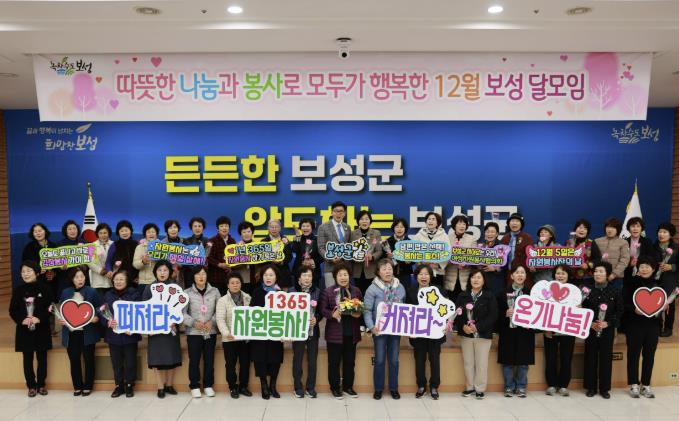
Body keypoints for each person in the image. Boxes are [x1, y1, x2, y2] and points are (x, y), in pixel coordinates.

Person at [623, 256, 666, 398]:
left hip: (653, 325)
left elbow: (662, 301)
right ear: (638, 268)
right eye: (642, 266)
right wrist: (633, 310)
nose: (644, 269)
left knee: (649, 355)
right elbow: (624, 303)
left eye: (648, 267)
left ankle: (646, 385)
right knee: (633, 354)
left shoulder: (658, 284)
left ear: (653, 269)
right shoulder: (631, 282)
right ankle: (634, 384)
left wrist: (664, 305)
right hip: (634, 324)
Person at [364, 258, 406, 400]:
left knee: (394, 360)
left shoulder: (400, 287)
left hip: (395, 330)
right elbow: (367, 310)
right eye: (384, 269)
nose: (388, 271)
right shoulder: (372, 288)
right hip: (379, 330)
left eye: (389, 268)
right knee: (380, 360)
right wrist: (371, 327)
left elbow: (405, 308)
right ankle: (378, 389)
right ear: (378, 272)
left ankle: (394, 388)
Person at [320, 262, 362, 400]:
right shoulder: (328, 291)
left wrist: (358, 312)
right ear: (335, 277)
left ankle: (348, 387)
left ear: (349, 276)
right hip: (334, 334)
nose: (343, 277)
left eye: (345, 274)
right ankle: (335, 388)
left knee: (350, 362)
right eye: (340, 275)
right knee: (334, 363)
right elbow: (323, 309)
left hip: (351, 332)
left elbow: (361, 308)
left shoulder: (356, 291)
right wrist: (332, 314)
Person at [9, 261, 51, 397]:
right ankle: (31, 386)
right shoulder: (18, 290)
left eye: (29, 271)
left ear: (36, 272)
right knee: (27, 358)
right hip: (24, 329)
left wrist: (39, 318)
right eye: (23, 272)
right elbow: (12, 310)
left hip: (41, 328)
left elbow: (50, 308)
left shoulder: (45, 288)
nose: (25, 274)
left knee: (42, 358)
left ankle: (41, 385)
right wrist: (22, 319)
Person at [582, 261, 623, 399]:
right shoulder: (586, 290)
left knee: (606, 358)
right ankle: (591, 387)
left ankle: (604, 388)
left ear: (607, 274)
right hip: (590, 329)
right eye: (595, 271)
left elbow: (619, 311)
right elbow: (580, 309)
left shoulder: (615, 290)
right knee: (590, 357)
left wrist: (608, 323)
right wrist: (589, 323)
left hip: (607, 329)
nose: (597, 274)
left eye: (601, 271)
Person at [455, 269, 498, 400]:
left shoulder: (489, 296)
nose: (476, 280)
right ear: (469, 280)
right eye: (473, 277)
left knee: (481, 364)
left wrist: (477, 327)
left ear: (484, 280)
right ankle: (470, 387)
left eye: (479, 277)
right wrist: (463, 326)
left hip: (483, 335)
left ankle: (480, 389)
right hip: (466, 335)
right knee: (468, 363)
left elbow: (493, 316)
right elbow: (457, 314)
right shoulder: (462, 295)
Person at [59, 266, 101, 396]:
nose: (80, 279)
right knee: (74, 360)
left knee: (89, 360)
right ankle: (77, 386)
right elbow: (62, 310)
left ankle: (88, 386)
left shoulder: (92, 291)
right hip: (71, 332)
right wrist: (61, 319)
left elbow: (100, 307)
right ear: (72, 279)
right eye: (77, 277)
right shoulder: (65, 292)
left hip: (87, 332)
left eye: (82, 276)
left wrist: (96, 317)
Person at [407, 265, 447, 399]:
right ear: (416, 276)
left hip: (435, 332)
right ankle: (421, 386)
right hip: (417, 333)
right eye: (420, 274)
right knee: (419, 360)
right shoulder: (411, 291)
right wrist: (409, 330)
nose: (423, 277)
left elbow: (446, 309)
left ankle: (434, 386)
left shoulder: (439, 290)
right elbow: (407, 312)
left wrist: (445, 325)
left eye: (426, 274)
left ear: (431, 276)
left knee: (435, 360)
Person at [144, 260, 182, 398]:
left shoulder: (175, 287)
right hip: (155, 329)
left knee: (172, 356)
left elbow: (181, 306)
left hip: (172, 327)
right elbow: (144, 308)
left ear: (170, 272)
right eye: (159, 270)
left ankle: (169, 385)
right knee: (157, 357)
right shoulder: (149, 288)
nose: (162, 273)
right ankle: (160, 387)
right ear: (155, 272)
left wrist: (175, 321)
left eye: (165, 270)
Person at [99, 270, 140, 398]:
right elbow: (101, 311)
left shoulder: (134, 293)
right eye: (116, 279)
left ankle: (129, 385)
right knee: (116, 363)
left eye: (121, 279)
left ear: (127, 281)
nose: (118, 282)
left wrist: (133, 326)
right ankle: (119, 385)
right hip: (113, 335)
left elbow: (140, 312)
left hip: (130, 335)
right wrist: (107, 322)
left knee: (130, 362)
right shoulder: (108, 294)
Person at [498, 264, 535, 398]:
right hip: (507, 331)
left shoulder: (532, 293)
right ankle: (509, 387)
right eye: (517, 272)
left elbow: (537, 313)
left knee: (523, 362)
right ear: (512, 276)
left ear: (526, 276)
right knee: (507, 361)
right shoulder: (503, 292)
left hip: (525, 332)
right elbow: (496, 312)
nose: (520, 275)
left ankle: (521, 387)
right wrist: (505, 314)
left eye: (522, 272)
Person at [183, 266, 220, 398]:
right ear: (193, 277)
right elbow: (182, 313)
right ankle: (194, 386)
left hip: (210, 331)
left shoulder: (215, 291)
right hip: (194, 332)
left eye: (203, 274)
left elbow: (220, 310)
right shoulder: (186, 293)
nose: (201, 276)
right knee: (194, 360)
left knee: (209, 359)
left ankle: (208, 385)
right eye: (198, 274)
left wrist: (212, 322)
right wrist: (194, 323)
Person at [250, 265, 285, 399]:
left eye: (271, 275)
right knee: (260, 359)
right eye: (265, 275)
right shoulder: (257, 291)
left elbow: (287, 314)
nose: (268, 278)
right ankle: (264, 386)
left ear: (276, 277)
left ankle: (273, 386)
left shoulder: (281, 294)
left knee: (275, 358)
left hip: (276, 331)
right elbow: (251, 311)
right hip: (260, 333)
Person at [216, 273, 253, 398]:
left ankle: (243, 386)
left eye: (237, 282)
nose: (235, 285)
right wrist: (227, 333)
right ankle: (232, 387)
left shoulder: (248, 298)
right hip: (229, 338)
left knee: (245, 363)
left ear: (241, 284)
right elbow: (220, 319)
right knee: (230, 364)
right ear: (228, 285)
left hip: (245, 338)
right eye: (232, 283)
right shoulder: (222, 300)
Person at [289, 265, 322, 398]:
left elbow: (321, 311)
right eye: (304, 275)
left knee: (312, 361)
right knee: (297, 359)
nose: (307, 278)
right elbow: (286, 312)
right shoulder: (291, 291)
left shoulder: (317, 291)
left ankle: (310, 387)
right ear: (299, 278)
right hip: (297, 331)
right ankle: (297, 387)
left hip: (313, 331)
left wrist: (317, 318)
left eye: (309, 276)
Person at [544, 265, 575, 396]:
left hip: (568, 330)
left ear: (568, 276)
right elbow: (542, 310)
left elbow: (578, 311)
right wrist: (545, 328)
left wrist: (579, 306)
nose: (560, 276)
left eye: (563, 273)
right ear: (554, 275)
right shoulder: (547, 290)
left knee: (566, 358)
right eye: (558, 273)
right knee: (550, 358)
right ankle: (551, 384)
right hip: (550, 330)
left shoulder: (574, 291)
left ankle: (563, 385)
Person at [317, 201, 351, 288]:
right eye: (336, 211)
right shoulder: (323, 227)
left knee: (344, 292)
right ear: (332, 212)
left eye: (341, 211)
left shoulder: (347, 227)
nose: (338, 213)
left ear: (344, 213)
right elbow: (321, 247)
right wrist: (331, 258)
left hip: (344, 268)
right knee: (331, 293)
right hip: (330, 267)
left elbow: (349, 246)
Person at [412, 211, 450, 288]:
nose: (430, 221)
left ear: (437, 223)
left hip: (437, 272)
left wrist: (438, 265)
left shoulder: (444, 236)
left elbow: (448, 252)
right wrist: (421, 262)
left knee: (437, 293)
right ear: (426, 222)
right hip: (422, 272)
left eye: (433, 219)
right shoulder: (419, 235)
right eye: (429, 219)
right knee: (422, 293)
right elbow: (413, 251)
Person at [653, 222, 678, 337]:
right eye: (660, 231)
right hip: (655, 279)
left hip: (670, 280)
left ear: (670, 234)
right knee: (656, 302)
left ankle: (668, 328)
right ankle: (657, 326)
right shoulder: (653, 247)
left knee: (669, 304)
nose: (661, 234)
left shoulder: (677, 247)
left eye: (665, 232)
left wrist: (672, 267)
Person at [350, 210, 383, 296]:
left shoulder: (376, 233)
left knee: (371, 294)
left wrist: (372, 256)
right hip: (357, 270)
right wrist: (355, 255)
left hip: (371, 270)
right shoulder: (353, 234)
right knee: (357, 294)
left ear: (370, 221)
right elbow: (349, 250)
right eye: (361, 219)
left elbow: (379, 251)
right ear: (358, 221)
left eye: (366, 219)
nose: (364, 221)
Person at [445, 214, 475, 302]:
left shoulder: (471, 239)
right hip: (450, 277)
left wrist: (466, 262)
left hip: (465, 278)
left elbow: (475, 257)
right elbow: (443, 256)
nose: (462, 226)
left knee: (466, 304)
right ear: (454, 225)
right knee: (452, 303)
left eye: (464, 224)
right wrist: (452, 260)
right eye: (459, 224)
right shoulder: (447, 238)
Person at [594, 217, 630, 290]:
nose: (610, 230)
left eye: (613, 227)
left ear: (618, 229)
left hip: (616, 278)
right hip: (599, 277)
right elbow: (594, 258)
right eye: (608, 227)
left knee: (615, 296)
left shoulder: (623, 242)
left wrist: (614, 274)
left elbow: (625, 260)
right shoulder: (597, 241)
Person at [565, 219, 601, 287]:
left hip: (586, 278)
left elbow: (597, 259)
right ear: (575, 229)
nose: (582, 230)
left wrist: (588, 265)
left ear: (587, 232)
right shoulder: (568, 242)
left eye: (585, 228)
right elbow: (563, 257)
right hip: (570, 276)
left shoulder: (591, 243)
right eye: (580, 227)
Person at [259, 219, 294, 290]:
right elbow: (261, 258)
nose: (274, 229)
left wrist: (282, 262)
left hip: (283, 274)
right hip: (269, 274)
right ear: (268, 228)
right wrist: (271, 261)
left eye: (276, 227)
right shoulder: (264, 241)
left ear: (280, 228)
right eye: (272, 227)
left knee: (284, 295)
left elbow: (289, 256)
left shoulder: (285, 240)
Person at [207, 216, 236, 296]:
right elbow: (206, 256)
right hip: (215, 278)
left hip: (229, 278)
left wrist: (231, 266)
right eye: (221, 226)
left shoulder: (233, 241)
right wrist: (219, 264)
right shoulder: (210, 241)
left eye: (226, 226)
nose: (224, 228)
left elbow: (236, 258)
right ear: (218, 228)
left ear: (229, 228)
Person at [291, 218, 323, 288]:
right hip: (299, 271)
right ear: (300, 228)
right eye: (303, 226)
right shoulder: (297, 238)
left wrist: (314, 261)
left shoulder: (317, 240)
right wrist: (297, 238)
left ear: (312, 227)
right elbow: (294, 250)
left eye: (308, 226)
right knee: (298, 292)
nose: (305, 228)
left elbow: (322, 256)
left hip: (314, 271)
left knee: (314, 292)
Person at [383, 217, 414, 287]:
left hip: (405, 274)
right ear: (393, 228)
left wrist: (410, 261)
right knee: (390, 292)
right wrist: (388, 257)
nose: (399, 229)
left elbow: (414, 259)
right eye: (397, 227)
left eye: (402, 227)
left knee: (406, 292)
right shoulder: (387, 242)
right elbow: (382, 258)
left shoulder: (410, 242)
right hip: (390, 273)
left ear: (405, 229)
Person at [479, 222, 506, 301]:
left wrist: (494, 268)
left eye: (492, 232)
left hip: (496, 283)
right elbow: (473, 262)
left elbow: (506, 264)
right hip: (482, 283)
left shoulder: (502, 247)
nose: (489, 234)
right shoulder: (480, 246)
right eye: (487, 232)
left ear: (497, 234)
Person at [55, 220, 83, 296]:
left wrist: (84, 265)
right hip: (65, 279)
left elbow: (89, 261)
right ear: (66, 231)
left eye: (74, 228)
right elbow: (55, 264)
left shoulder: (84, 243)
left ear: (78, 230)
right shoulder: (59, 245)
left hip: (80, 279)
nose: (72, 231)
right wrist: (60, 267)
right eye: (69, 229)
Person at [88, 223, 114, 297]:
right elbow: (89, 262)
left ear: (109, 233)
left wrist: (111, 271)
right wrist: (100, 271)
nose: (103, 235)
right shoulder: (91, 245)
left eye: (105, 233)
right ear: (97, 234)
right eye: (101, 233)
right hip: (98, 280)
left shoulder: (114, 244)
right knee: (99, 302)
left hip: (111, 278)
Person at [182, 217, 209, 289]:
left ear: (203, 228)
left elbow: (208, 257)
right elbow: (183, 259)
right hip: (189, 274)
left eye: (199, 226)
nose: (197, 228)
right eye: (195, 226)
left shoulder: (207, 241)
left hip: (203, 273)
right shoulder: (186, 241)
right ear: (191, 228)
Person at [624, 217, 654, 282]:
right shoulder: (624, 242)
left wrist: (640, 267)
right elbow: (622, 259)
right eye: (633, 226)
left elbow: (651, 258)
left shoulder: (647, 242)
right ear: (629, 229)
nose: (635, 229)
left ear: (641, 228)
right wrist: (630, 264)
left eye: (638, 226)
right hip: (628, 274)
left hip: (644, 273)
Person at [232, 221, 256, 294]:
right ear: (240, 234)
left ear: (252, 232)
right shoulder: (235, 247)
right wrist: (244, 257)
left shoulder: (258, 246)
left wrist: (259, 272)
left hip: (256, 280)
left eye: (248, 231)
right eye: (244, 232)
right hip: (242, 280)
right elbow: (233, 265)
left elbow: (262, 263)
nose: (246, 234)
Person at [161, 219, 183, 283]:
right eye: (170, 228)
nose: (173, 230)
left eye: (175, 227)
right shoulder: (161, 243)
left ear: (178, 229)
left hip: (181, 275)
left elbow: (188, 258)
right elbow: (160, 260)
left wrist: (178, 266)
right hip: (166, 274)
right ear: (166, 230)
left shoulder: (184, 242)